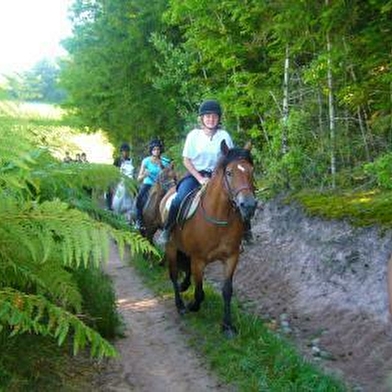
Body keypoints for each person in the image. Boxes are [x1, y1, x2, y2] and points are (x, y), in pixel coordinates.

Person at [157, 99, 236, 247]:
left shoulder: (224, 135)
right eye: (207, 116)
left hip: (218, 177)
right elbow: (186, 160)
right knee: (179, 200)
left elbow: (230, 159)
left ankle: (244, 233)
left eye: (214, 116)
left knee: (239, 200)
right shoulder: (194, 135)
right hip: (196, 175)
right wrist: (200, 178)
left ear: (218, 118)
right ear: (202, 118)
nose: (211, 119)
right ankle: (167, 231)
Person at [135, 139, 170, 232]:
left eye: (158, 149)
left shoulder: (165, 161)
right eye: (154, 149)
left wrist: (163, 167)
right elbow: (139, 178)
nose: (156, 151)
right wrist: (144, 175)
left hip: (161, 185)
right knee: (139, 198)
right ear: (151, 150)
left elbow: (169, 174)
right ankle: (139, 220)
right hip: (148, 184)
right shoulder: (146, 161)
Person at [106, 142, 133, 210]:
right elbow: (113, 170)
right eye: (124, 151)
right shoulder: (118, 160)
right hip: (118, 178)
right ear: (121, 152)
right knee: (108, 189)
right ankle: (109, 206)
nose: (126, 153)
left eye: (127, 151)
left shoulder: (131, 160)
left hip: (129, 180)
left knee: (137, 190)